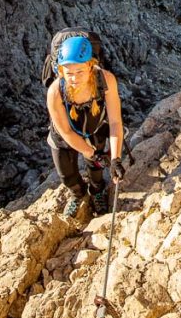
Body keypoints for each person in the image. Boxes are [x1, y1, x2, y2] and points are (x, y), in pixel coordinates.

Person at [47, 34, 124, 217]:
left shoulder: (105, 80)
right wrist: (91, 152)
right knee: (67, 175)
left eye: (79, 71)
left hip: (93, 128)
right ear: (60, 71)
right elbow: (65, 131)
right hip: (64, 135)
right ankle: (78, 193)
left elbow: (115, 122)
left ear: (90, 66)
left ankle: (97, 191)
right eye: (69, 73)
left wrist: (116, 159)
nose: (73, 78)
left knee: (96, 170)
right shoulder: (55, 92)